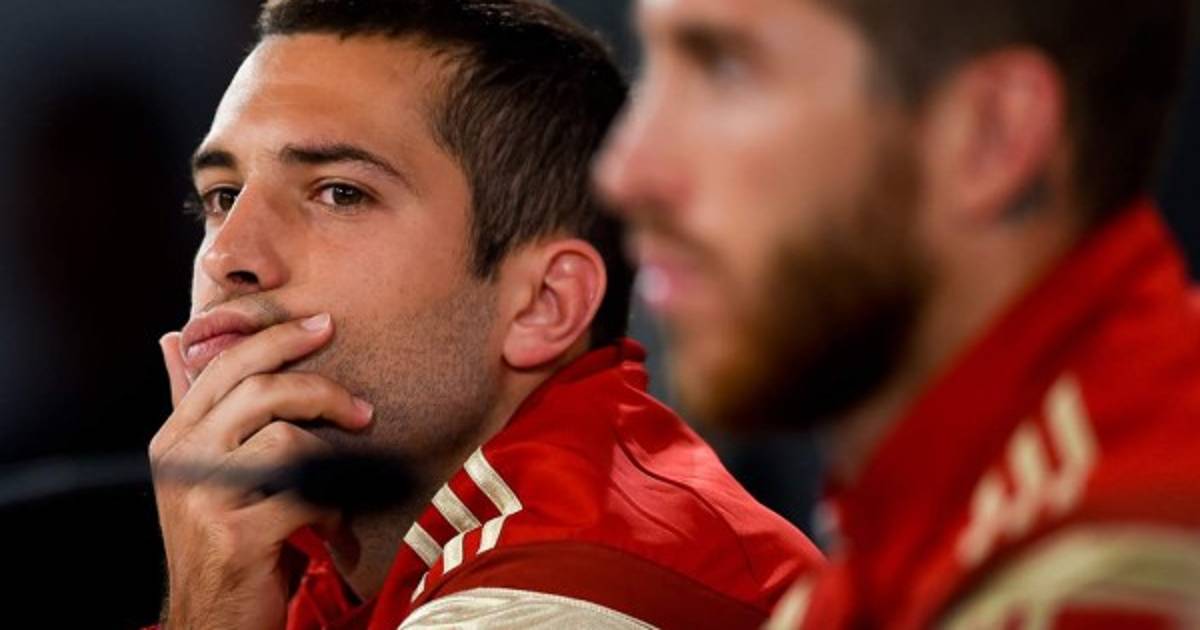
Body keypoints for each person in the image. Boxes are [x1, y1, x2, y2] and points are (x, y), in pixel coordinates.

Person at [148, 1, 823, 628]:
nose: (226, 255)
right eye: (222, 196)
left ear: (543, 305)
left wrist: (210, 608)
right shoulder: (312, 559)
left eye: (340, 193)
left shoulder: (570, 592)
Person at [596, 0, 1200, 627]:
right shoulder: (905, 550)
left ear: (991, 135)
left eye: (726, 70)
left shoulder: (1107, 582)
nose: (624, 173)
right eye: (650, 70)